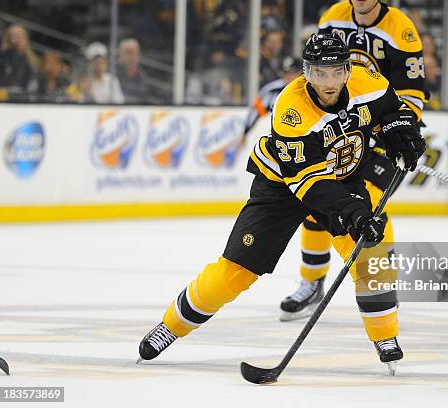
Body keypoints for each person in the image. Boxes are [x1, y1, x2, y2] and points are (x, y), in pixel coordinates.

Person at [138, 33, 426, 372]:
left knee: (372, 256)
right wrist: (355, 214)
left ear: (348, 70)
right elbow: (312, 186)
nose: (328, 82)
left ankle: (385, 337)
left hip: (343, 175)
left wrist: (403, 134)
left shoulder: (369, 81)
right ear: (306, 72)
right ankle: (171, 327)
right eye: (319, 73)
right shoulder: (291, 111)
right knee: (236, 272)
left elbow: (393, 111)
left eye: (335, 72)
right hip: (283, 187)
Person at [277, 0, 427, 321]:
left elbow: (411, 95)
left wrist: (395, 129)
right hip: (341, 129)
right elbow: (317, 76)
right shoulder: (333, 18)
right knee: (320, 201)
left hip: (382, 131)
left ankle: (380, 282)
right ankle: (312, 282)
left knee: (369, 208)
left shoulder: (401, 30)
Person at [241, 56, 303, 147]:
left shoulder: (308, 90)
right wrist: (245, 132)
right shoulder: (272, 90)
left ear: (300, 73)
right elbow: (256, 111)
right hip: (274, 137)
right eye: (286, 73)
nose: (289, 77)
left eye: (293, 73)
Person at [117, 38, 150, 104]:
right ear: (120, 56)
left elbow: (144, 97)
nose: (133, 57)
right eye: (129, 53)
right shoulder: (113, 75)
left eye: (136, 53)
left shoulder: (141, 74)